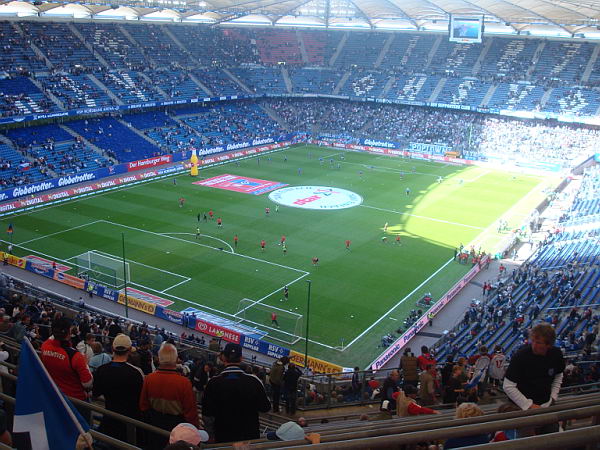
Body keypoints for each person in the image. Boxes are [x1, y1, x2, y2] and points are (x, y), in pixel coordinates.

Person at [503, 323, 565, 435]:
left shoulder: (556, 354)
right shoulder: (520, 356)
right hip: (522, 408)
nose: (534, 345)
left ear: (549, 345)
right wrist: (529, 405)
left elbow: (558, 375)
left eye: (539, 343)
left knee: (553, 438)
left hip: (546, 405)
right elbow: (508, 386)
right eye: (533, 341)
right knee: (527, 440)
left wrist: (553, 396)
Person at [202, 343, 271, 443]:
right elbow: (266, 407)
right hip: (249, 437)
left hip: (223, 436)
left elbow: (207, 413)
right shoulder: (254, 381)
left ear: (224, 358)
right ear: (241, 358)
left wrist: (211, 435)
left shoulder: (213, 383)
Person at [140, 343, 199, 449]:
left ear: (159, 359)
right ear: (176, 360)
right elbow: (191, 414)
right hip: (176, 430)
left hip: (154, 426)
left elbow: (143, 406)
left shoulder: (149, 378)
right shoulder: (184, 383)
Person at [93, 334, 144, 443]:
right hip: (128, 425)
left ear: (113, 348)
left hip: (108, 420)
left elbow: (95, 393)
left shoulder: (102, 370)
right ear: (129, 350)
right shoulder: (136, 373)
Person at [41, 318, 93, 418]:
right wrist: (85, 364)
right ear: (69, 333)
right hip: (76, 401)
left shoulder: (45, 346)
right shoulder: (76, 356)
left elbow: (52, 339)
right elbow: (87, 383)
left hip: (54, 395)